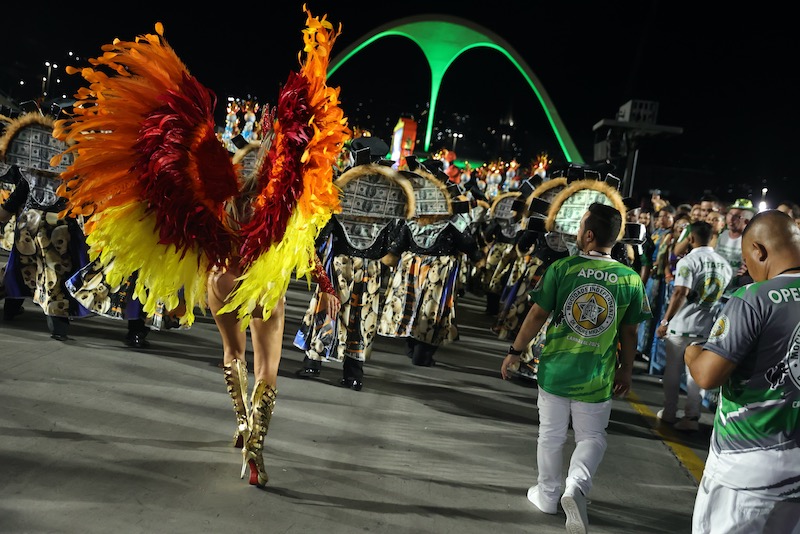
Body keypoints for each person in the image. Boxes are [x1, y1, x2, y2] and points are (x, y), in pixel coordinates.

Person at [500, 202, 651, 534]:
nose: (578, 232)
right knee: (593, 436)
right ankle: (576, 487)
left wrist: (514, 352)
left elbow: (536, 315)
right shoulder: (630, 279)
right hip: (597, 374)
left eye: (581, 227)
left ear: (589, 235)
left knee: (550, 435)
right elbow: (630, 332)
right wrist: (626, 369)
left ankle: (548, 494)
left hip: (556, 369)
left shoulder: (563, 268)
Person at [684, 209, 800, 533]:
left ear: (759, 251)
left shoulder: (753, 298)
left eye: (747, 263)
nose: (748, 271)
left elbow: (707, 375)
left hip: (745, 470)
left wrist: (693, 353)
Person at [654, 221, 732, 431]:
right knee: (694, 372)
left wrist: (665, 320)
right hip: (706, 326)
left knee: (673, 368)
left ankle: (669, 411)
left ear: (690, 238)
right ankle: (692, 416)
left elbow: (680, 292)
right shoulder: (724, 264)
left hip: (681, 324)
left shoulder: (688, 261)